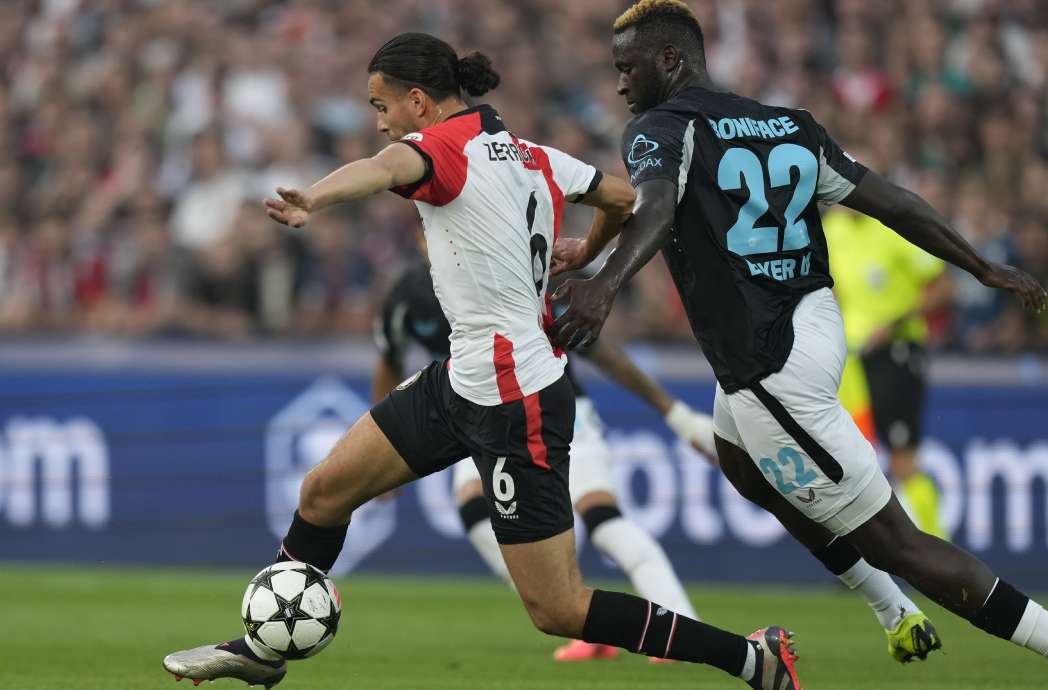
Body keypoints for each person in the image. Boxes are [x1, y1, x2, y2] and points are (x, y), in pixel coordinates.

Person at [163, 31, 801, 690]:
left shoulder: (442, 148)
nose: (380, 124)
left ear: (417, 101)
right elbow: (623, 199)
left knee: (558, 609)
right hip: (461, 378)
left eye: (382, 107)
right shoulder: (532, 154)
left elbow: (382, 169)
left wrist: (314, 198)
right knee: (324, 493)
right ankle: (264, 651)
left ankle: (750, 659)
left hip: (515, 397)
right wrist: (589, 254)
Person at [549, 2, 1048, 689]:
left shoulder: (657, 127)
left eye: (627, 66)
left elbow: (657, 208)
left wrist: (604, 284)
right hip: (813, 323)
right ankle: (895, 614)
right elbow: (891, 201)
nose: (619, 84)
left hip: (766, 362)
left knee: (897, 541)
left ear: (670, 60)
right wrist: (977, 264)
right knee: (742, 463)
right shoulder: (787, 125)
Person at [371, 254, 715, 662]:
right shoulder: (405, 298)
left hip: (556, 410)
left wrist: (675, 415)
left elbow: (601, 352)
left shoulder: (505, 274)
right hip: (479, 417)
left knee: (601, 518)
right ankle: (585, 621)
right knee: (472, 506)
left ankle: (679, 626)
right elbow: (388, 360)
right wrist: (387, 457)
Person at [824, 208, 954, 538]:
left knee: (902, 461)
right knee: (851, 462)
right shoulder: (830, 228)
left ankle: (942, 550)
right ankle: (862, 556)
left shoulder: (895, 227)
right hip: (850, 364)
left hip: (895, 354)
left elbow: (942, 289)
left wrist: (897, 320)